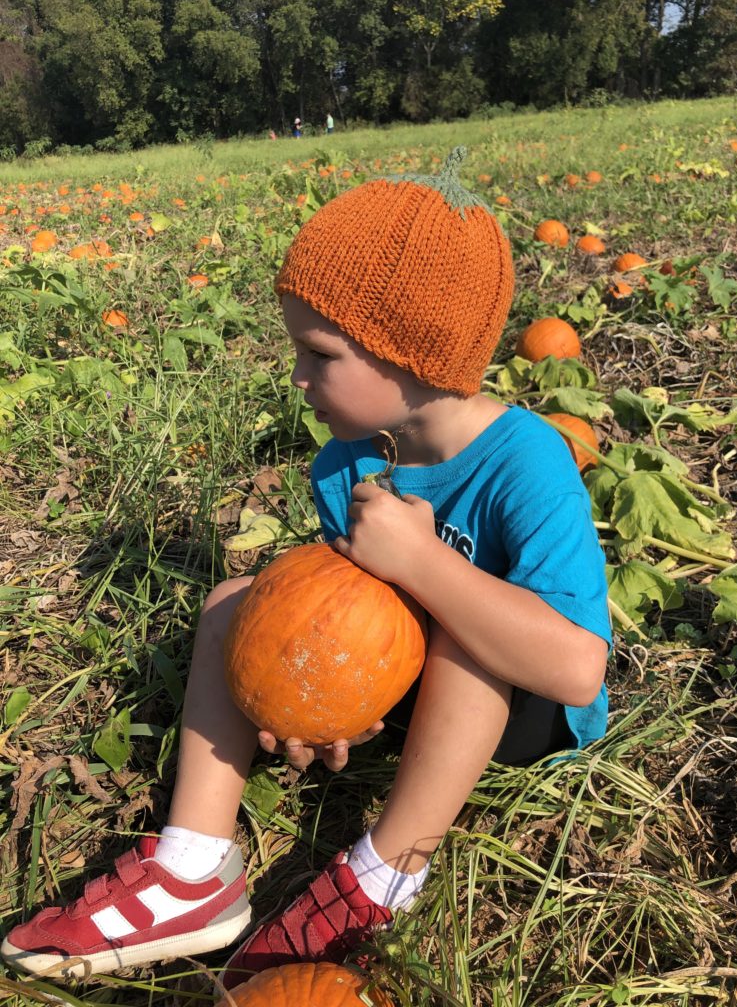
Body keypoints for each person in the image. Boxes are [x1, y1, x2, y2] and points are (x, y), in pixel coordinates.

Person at [1, 147, 611, 990]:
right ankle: (194, 867)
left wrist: (423, 563)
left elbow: (578, 668)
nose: (297, 378)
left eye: (320, 355)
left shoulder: (528, 462)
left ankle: (383, 876)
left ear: (414, 351)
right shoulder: (343, 465)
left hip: (512, 710)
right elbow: (337, 618)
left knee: (463, 647)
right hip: (407, 692)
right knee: (229, 602)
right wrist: (321, 698)